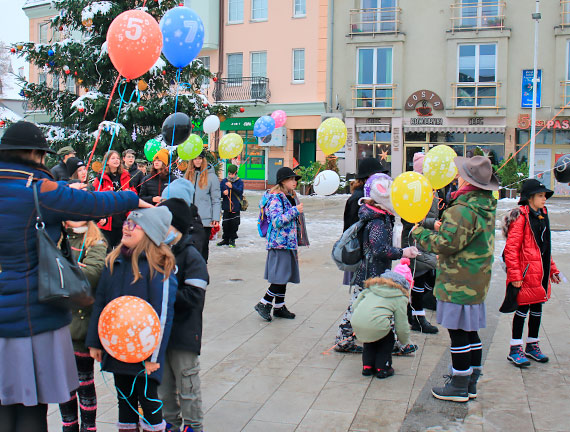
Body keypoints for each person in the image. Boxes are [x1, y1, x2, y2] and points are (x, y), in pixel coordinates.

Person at [0, 121, 144, 431]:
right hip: (31, 317)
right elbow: (94, 204)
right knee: (31, 407)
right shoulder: (39, 191)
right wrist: (132, 199)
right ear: (35, 155)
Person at [412, 156, 498, 402]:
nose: (457, 176)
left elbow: (446, 245)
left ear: (468, 181)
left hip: (458, 281)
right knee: (470, 332)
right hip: (476, 279)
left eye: (461, 174)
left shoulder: (462, 209)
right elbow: (465, 235)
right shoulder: (485, 205)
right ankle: (470, 380)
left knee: (458, 332)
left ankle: (459, 384)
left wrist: (419, 232)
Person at [86, 207, 177, 432]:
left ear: (151, 232)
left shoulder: (160, 266)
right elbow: (101, 303)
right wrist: (95, 342)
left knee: (148, 401)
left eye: (134, 225)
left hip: (145, 352)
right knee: (124, 399)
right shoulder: (113, 261)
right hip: (118, 349)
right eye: (126, 222)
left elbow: (162, 315)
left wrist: (153, 356)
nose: (126, 227)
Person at [334, 173, 419, 353]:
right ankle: (391, 342)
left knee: (360, 305)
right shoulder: (378, 220)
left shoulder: (377, 216)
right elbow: (378, 249)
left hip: (370, 270)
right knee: (365, 305)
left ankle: (348, 339)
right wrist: (402, 252)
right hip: (371, 273)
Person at [158, 198, 209, 432]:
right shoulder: (155, 252)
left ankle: (193, 425)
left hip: (184, 332)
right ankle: (169, 423)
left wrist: (164, 292)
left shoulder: (191, 257)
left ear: (175, 226)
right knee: (164, 386)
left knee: (187, 384)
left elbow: (194, 298)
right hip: (160, 334)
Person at [502, 179, 560, 367]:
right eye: (541, 196)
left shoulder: (542, 214)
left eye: (544, 196)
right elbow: (511, 249)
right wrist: (516, 275)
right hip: (526, 273)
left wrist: (552, 269)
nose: (544, 199)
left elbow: (545, 247)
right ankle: (515, 348)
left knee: (537, 308)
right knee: (522, 309)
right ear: (529, 198)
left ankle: (532, 344)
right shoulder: (521, 217)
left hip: (540, 272)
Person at [58, 220, 107, 432]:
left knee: (85, 385)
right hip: (58, 327)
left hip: (81, 326)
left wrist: (61, 269)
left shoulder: (96, 241)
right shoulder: (57, 237)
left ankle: (89, 428)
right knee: (64, 386)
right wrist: (74, 268)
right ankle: (68, 427)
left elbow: (91, 275)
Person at [335, 157, 387, 353]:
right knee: (360, 296)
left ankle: (348, 336)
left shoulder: (359, 195)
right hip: (364, 258)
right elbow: (360, 230)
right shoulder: (361, 199)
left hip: (362, 256)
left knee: (362, 296)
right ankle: (345, 337)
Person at [254, 167, 304, 321]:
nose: (294, 182)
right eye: (291, 179)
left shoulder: (288, 196)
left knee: (285, 275)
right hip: (279, 243)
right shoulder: (276, 198)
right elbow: (276, 221)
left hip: (287, 242)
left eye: (295, 179)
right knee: (280, 276)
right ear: (283, 181)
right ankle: (264, 303)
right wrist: (295, 211)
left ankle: (279, 306)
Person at [351, 260, 413, 379]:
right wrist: (404, 340)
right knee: (387, 340)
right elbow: (401, 324)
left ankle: (367, 367)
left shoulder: (370, 289)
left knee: (369, 341)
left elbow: (355, 306)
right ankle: (382, 367)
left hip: (358, 322)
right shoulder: (399, 297)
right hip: (377, 325)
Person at [401, 153, 439, 334]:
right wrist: (433, 223)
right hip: (415, 239)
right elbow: (411, 217)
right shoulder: (415, 190)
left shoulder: (431, 189)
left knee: (423, 277)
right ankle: (418, 318)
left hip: (427, 238)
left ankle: (413, 311)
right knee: (419, 278)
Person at [93, 150, 136, 250]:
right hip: (108, 220)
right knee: (106, 251)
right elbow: (96, 196)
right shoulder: (101, 177)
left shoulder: (125, 175)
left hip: (122, 218)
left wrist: (130, 192)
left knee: (121, 251)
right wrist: (106, 191)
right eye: (113, 158)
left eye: (117, 158)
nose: (116, 160)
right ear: (107, 161)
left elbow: (134, 192)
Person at [184, 151, 221, 262]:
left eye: (200, 158)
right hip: (189, 219)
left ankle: (201, 270)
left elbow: (216, 199)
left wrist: (215, 218)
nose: (197, 161)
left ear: (203, 159)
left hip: (204, 220)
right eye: (195, 158)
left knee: (202, 247)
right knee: (189, 247)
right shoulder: (187, 175)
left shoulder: (211, 176)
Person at [218, 164, 244, 248]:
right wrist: (223, 193)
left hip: (235, 207)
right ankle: (225, 239)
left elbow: (240, 192)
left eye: (232, 174)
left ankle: (232, 240)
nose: (231, 175)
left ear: (236, 173)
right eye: (229, 174)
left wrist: (232, 187)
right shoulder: (224, 181)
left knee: (234, 224)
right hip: (226, 207)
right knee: (225, 224)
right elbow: (219, 192)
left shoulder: (239, 182)